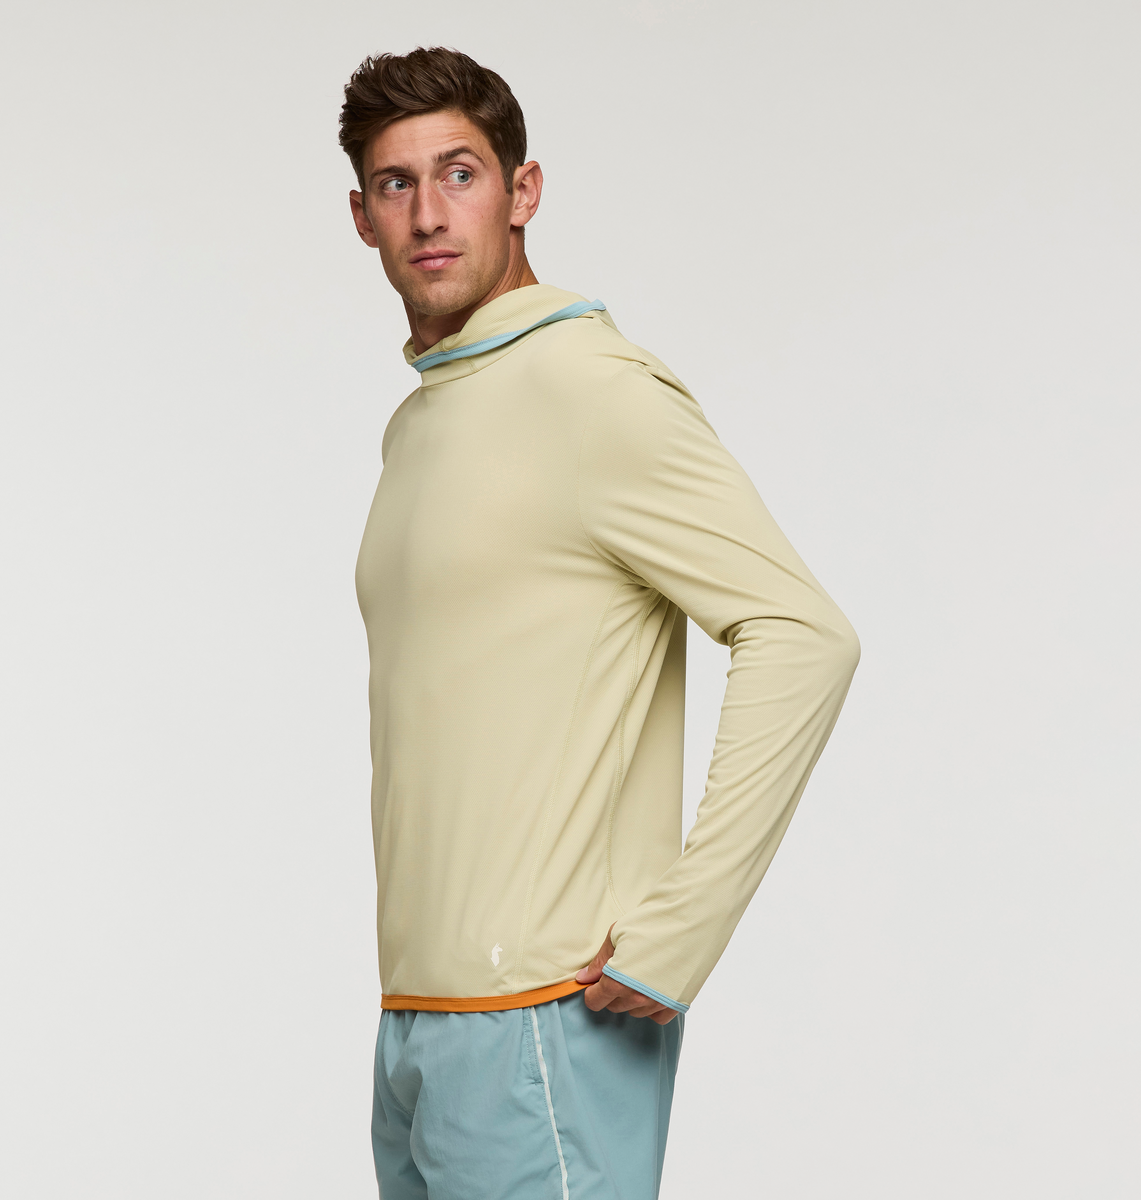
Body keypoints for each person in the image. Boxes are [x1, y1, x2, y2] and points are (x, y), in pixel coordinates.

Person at [340, 46, 859, 1200]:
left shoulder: (592, 388)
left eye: (460, 174)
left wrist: (679, 932)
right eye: (395, 183)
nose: (429, 213)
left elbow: (802, 633)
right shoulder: (423, 425)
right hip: (418, 1020)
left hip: (540, 1022)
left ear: (521, 192)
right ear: (362, 217)